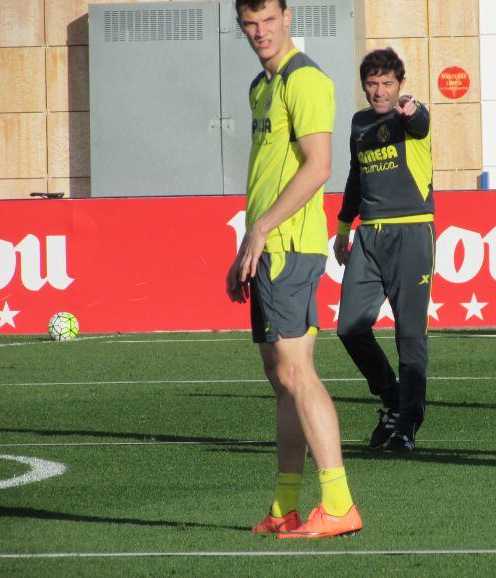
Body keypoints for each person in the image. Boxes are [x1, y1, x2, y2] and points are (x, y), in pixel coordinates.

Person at [226, 0, 362, 537]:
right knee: (280, 377)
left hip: (290, 246)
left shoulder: (305, 80)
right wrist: (246, 243)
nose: (260, 32)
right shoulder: (262, 87)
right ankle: (284, 505)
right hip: (267, 246)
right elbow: (266, 173)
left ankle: (339, 503)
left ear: (288, 18)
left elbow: (320, 166)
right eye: (249, 24)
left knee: (297, 372)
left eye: (268, 21)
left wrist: (260, 232)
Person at [334, 47, 434, 453]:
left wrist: (412, 110)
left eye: (387, 84)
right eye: (372, 84)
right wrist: (343, 227)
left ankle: (407, 423)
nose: (380, 91)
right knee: (349, 327)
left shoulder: (410, 116)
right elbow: (356, 177)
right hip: (369, 235)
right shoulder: (359, 123)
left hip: (411, 235)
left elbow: (421, 120)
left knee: (410, 335)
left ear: (400, 85)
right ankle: (392, 399)